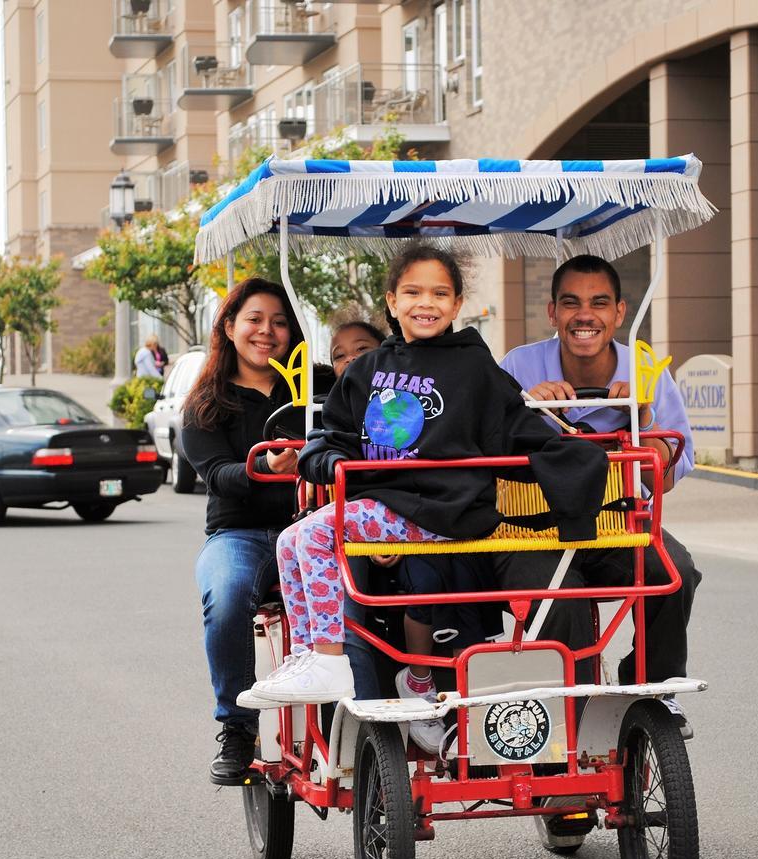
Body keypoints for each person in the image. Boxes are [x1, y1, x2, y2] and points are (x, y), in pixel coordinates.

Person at [237, 244, 608, 713]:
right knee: (290, 540)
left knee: (313, 536)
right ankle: (308, 655)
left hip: (443, 508)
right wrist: (327, 460)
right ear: (392, 301)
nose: (426, 303)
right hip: (389, 504)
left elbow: (516, 424)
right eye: (413, 292)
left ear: (455, 305)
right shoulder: (370, 368)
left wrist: (574, 454)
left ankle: (330, 661)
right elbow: (333, 435)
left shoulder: (472, 366)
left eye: (439, 293)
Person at [500, 254, 701, 725]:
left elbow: (662, 480)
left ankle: (650, 688)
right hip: (535, 529)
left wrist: (642, 416)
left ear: (619, 312)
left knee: (676, 572)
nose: (584, 315)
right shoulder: (518, 367)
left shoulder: (646, 371)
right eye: (570, 303)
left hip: (616, 522)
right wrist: (527, 411)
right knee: (560, 597)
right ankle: (570, 715)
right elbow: (485, 461)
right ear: (552, 313)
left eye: (598, 303)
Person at [178, 278, 306, 785]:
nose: (267, 331)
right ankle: (237, 725)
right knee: (227, 596)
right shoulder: (206, 403)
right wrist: (266, 468)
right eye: (255, 319)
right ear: (229, 327)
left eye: (279, 322)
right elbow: (217, 475)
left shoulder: (314, 386)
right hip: (241, 533)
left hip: (314, 526)